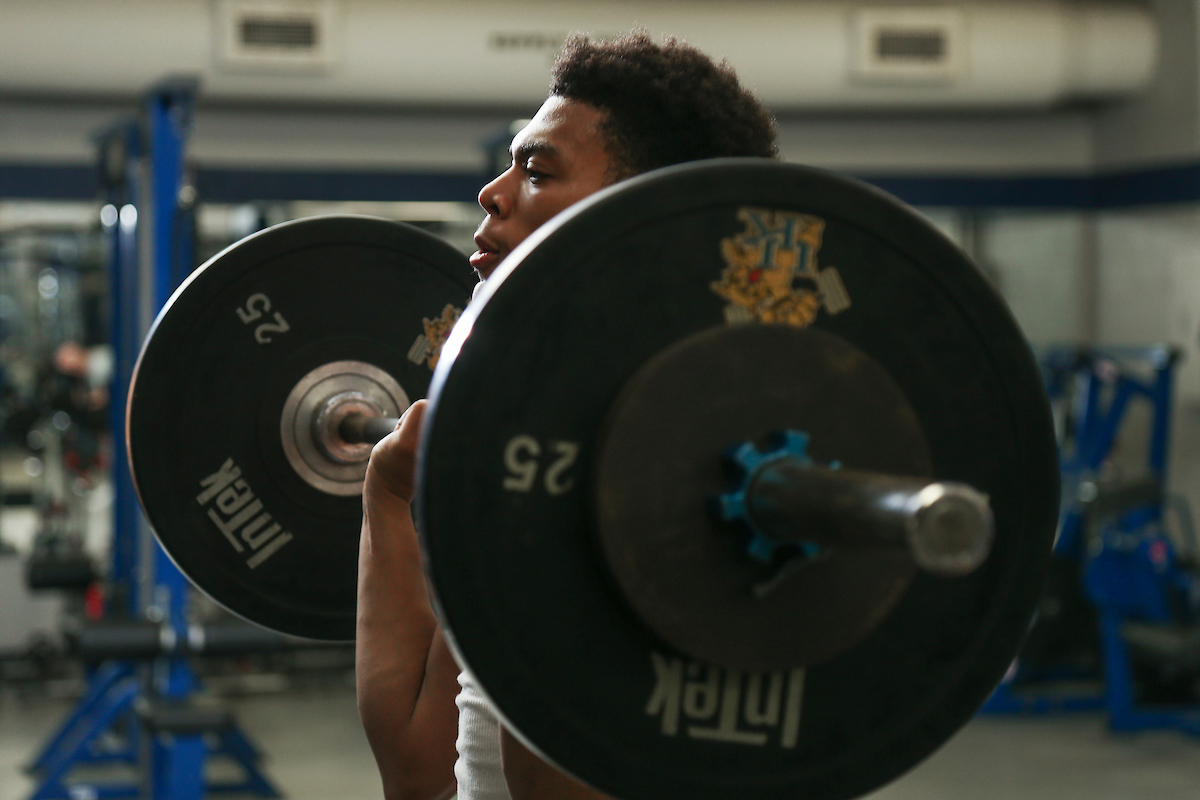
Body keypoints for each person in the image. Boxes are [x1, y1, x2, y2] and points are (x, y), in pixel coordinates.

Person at [355, 30, 779, 800]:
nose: (494, 191)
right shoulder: (521, 452)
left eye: (538, 170)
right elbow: (418, 773)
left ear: (644, 219)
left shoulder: (699, 473)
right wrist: (387, 494)